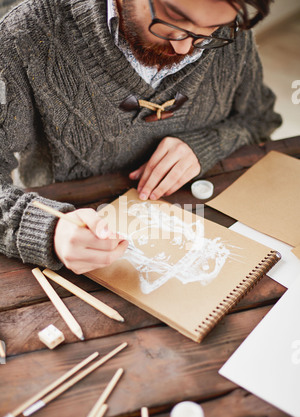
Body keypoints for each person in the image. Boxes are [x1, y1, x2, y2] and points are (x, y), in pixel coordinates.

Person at [0, 0, 281, 274]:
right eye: (174, 17)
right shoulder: (24, 35)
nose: (183, 47)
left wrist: (208, 143)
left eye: (212, 29)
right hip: (74, 247)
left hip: (200, 229)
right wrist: (44, 228)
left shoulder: (232, 36)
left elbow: (260, 119)